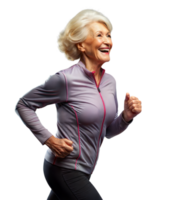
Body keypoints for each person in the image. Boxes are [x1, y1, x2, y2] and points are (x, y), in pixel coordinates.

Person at [12, 7, 144, 200]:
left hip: (87, 170)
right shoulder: (65, 79)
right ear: (82, 45)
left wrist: (126, 117)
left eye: (109, 35)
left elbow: (105, 132)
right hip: (62, 168)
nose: (108, 41)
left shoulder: (111, 82)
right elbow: (23, 105)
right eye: (99, 35)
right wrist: (49, 140)